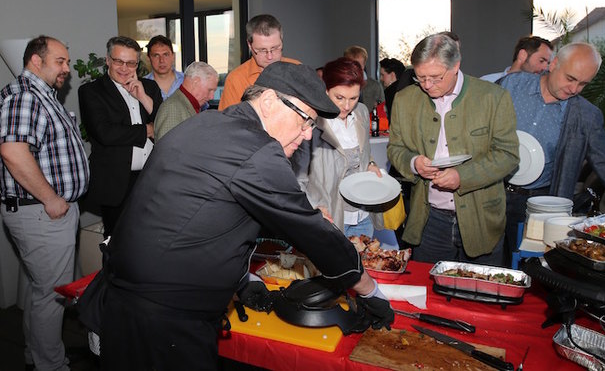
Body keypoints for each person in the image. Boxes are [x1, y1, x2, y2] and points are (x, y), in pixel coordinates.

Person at [94, 62, 393, 370]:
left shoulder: (207, 123)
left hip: (124, 303)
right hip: (165, 319)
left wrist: (241, 280)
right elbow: (315, 235)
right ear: (269, 101)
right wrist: (370, 292)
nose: (307, 135)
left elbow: (207, 217)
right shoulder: (257, 149)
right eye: (305, 120)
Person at [388, 33, 519, 265]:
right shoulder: (405, 100)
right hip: (429, 220)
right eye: (420, 78)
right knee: (428, 284)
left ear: (456, 66)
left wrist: (462, 176)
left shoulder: (492, 97)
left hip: (481, 219)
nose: (427, 85)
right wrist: (414, 163)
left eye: (435, 78)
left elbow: (508, 155)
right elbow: (395, 148)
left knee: (480, 285)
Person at [500, 42, 605, 258]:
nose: (574, 89)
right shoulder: (511, 85)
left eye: (583, 84)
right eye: (570, 78)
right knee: (488, 263)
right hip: (492, 195)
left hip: (540, 207)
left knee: (529, 266)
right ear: (554, 64)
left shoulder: (585, 116)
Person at [0, 35, 89, 371]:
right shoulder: (26, 96)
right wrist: (51, 199)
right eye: (60, 61)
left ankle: (35, 356)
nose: (67, 68)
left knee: (42, 293)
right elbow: (12, 151)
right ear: (36, 61)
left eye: (67, 62)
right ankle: (51, 365)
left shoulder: (42, 95)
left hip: (47, 214)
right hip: (42, 214)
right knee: (52, 295)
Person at [78, 36, 163, 237]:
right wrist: (147, 130)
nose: (125, 68)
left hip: (150, 179)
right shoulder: (91, 91)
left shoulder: (149, 88)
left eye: (131, 63)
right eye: (119, 61)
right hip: (116, 184)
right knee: (117, 242)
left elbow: (165, 123)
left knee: (151, 238)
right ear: (108, 60)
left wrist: (142, 97)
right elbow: (105, 133)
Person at [304, 57, 384, 239]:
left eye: (353, 98)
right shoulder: (312, 121)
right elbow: (298, 177)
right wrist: (313, 207)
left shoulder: (361, 112)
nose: (346, 106)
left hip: (364, 215)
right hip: (330, 217)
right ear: (325, 90)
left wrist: (370, 164)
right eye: (339, 97)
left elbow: (364, 152)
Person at [218, 14, 300, 110]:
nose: (270, 56)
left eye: (275, 48)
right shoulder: (236, 79)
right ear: (249, 45)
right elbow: (229, 118)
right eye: (262, 50)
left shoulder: (298, 69)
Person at [154, 61, 218, 140]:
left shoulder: (185, 105)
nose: (212, 97)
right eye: (210, 90)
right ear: (195, 82)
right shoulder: (172, 108)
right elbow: (167, 146)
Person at [481, 35, 552, 82]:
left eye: (548, 63)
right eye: (541, 61)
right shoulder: (487, 82)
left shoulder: (539, 92)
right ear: (522, 55)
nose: (545, 68)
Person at [344, 45, 385, 112]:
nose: (357, 68)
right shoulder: (340, 85)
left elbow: (382, 112)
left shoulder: (375, 86)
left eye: (360, 65)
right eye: (353, 65)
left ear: (364, 64)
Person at [144, 35, 184, 100]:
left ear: (173, 56)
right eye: (156, 55)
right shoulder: (142, 86)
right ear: (148, 58)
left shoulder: (186, 81)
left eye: (165, 55)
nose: (161, 60)